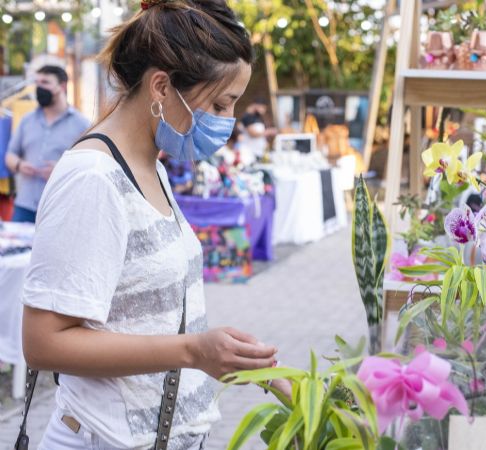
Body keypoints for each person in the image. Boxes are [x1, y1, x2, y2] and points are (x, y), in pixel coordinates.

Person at [20, 1, 288, 448]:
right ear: (161, 86)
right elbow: (45, 343)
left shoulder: (151, 168)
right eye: (220, 103)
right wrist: (194, 351)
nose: (226, 121)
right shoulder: (93, 179)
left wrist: (252, 366)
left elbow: (147, 313)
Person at [4, 65, 90, 223]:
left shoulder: (83, 125)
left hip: (61, 208)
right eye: (37, 82)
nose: (39, 87)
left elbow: (90, 167)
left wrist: (62, 170)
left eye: (45, 82)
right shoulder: (26, 120)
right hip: (24, 206)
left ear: (62, 86)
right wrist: (19, 165)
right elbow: (10, 154)